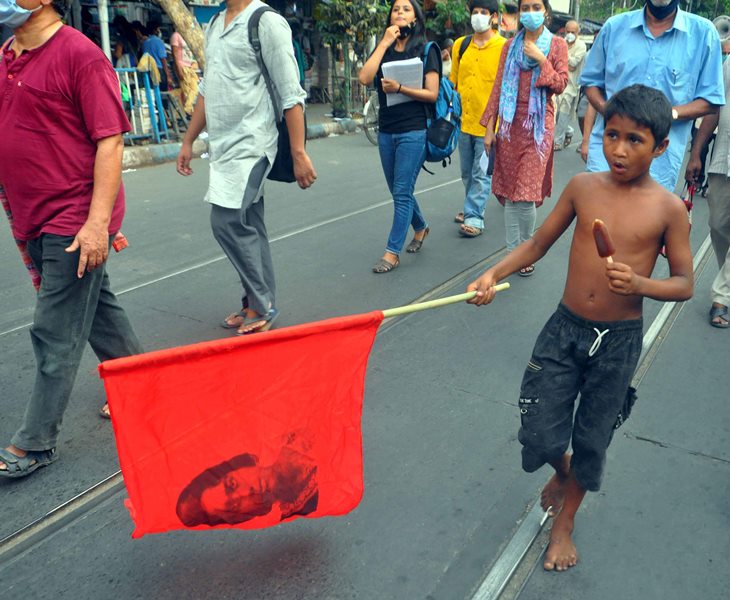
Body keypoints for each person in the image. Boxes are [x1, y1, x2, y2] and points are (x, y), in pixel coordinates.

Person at [468, 84, 694, 571]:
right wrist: (494, 273)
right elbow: (536, 245)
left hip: (618, 342)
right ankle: (564, 470)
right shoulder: (583, 188)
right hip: (564, 330)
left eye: (635, 140)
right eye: (612, 135)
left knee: (593, 438)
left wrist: (639, 282)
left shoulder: (668, 209)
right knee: (540, 432)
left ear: (661, 147)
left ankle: (564, 522)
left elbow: (684, 284)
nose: (618, 149)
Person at [0, 0, 143, 479]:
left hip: (74, 217)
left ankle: (35, 443)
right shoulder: (8, 56)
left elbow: (110, 140)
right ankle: (144, 386)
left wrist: (96, 223)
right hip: (31, 216)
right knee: (98, 310)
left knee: (55, 330)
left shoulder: (80, 56)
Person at [176, 0, 316, 336]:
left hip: (254, 143)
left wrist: (299, 152)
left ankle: (263, 304)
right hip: (223, 147)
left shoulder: (266, 22)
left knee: (226, 221)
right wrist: (188, 140)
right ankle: (254, 300)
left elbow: (290, 93)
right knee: (249, 224)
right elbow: (208, 89)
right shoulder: (214, 25)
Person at [580, 0, 725, 192]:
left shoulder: (704, 34)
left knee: (644, 220)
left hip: (659, 162)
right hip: (606, 155)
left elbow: (711, 101)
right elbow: (591, 83)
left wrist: (667, 113)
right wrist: (611, 112)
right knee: (596, 216)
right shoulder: (614, 27)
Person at [480, 0, 568, 276]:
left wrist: (541, 60)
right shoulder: (509, 46)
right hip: (508, 124)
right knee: (509, 192)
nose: (529, 13)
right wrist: (488, 127)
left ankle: (526, 250)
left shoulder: (557, 46)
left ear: (546, 13)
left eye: (535, 7)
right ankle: (511, 254)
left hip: (539, 124)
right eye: (525, 7)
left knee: (526, 193)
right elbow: (497, 87)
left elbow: (561, 83)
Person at [358, 0, 439, 274]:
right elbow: (364, 77)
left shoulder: (427, 50)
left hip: (414, 130)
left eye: (406, 9)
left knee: (402, 192)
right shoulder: (385, 49)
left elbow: (432, 93)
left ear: (415, 18)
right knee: (398, 190)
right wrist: (382, 44)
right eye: (395, 9)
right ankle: (421, 227)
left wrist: (401, 88)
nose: (399, 13)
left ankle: (392, 252)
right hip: (387, 130)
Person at [176, 432, 318, 526]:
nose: (246, 493)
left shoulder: (292, 434)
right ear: (243, 516)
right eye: (235, 506)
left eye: (232, 484)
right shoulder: (302, 520)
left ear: (240, 466)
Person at [450, 0, 505, 238]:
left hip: (490, 125)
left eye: (484, 12)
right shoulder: (461, 46)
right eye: (475, 12)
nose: (479, 16)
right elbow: (454, 81)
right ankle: (471, 206)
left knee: (481, 173)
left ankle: (474, 216)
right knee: (466, 173)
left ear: (493, 17)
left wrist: (497, 124)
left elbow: (506, 88)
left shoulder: (504, 47)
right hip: (463, 120)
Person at [686, 55, 730, 329]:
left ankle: (722, 297)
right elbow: (715, 108)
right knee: (718, 225)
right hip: (723, 159)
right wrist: (696, 153)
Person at [553, 20, 586, 150]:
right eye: (568, 31)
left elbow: (573, 64)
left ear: (578, 33)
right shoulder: (560, 43)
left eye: (573, 32)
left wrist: (562, 58)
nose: (570, 34)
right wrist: (566, 62)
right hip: (558, 82)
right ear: (564, 31)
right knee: (555, 113)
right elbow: (558, 62)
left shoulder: (581, 46)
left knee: (563, 111)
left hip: (571, 86)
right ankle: (569, 130)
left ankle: (558, 141)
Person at [132, 21, 172, 91]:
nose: (159, 31)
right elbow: (163, 60)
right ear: (155, 30)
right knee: (162, 94)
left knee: (152, 92)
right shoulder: (158, 41)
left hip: (148, 71)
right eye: (158, 29)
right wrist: (168, 76)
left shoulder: (145, 42)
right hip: (159, 71)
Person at [170, 29, 198, 115]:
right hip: (182, 67)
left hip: (190, 67)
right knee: (186, 91)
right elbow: (174, 54)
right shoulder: (176, 36)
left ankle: (186, 110)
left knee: (194, 90)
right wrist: (178, 69)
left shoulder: (188, 35)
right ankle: (186, 111)